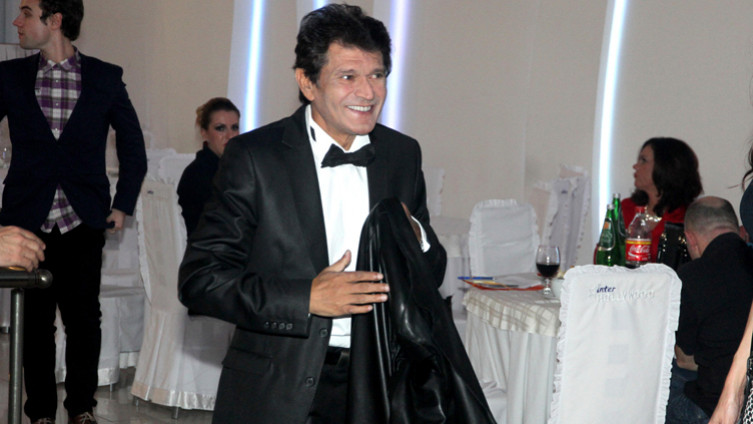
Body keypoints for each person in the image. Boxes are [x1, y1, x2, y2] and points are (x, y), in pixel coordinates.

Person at [178, 4, 446, 424]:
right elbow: (201, 280)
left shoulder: (402, 154)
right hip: (280, 385)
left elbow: (431, 275)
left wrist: (419, 240)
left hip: (381, 385)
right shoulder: (254, 157)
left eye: (377, 75)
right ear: (307, 82)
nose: (368, 92)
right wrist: (306, 298)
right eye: (348, 77)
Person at [0, 1, 147, 423]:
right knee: (34, 324)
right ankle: (41, 413)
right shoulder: (9, 76)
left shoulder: (104, 77)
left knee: (84, 320)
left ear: (55, 20)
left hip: (83, 218)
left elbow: (133, 148)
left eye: (27, 12)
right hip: (27, 222)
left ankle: (82, 408)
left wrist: (123, 204)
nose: (17, 21)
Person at [664, 196, 753, 424]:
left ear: (690, 239)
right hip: (747, 399)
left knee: (663, 372)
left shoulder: (691, 275)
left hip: (713, 407)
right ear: (739, 230)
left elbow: (683, 359)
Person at [622, 137, 703, 261]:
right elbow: (605, 255)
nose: (635, 166)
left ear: (665, 167)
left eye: (643, 160)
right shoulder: (626, 207)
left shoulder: (688, 217)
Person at [177, 97, 240, 236]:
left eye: (234, 127)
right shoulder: (198, 174)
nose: (230, 136)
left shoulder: (234, 169)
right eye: (220, 128)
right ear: (204, 133)